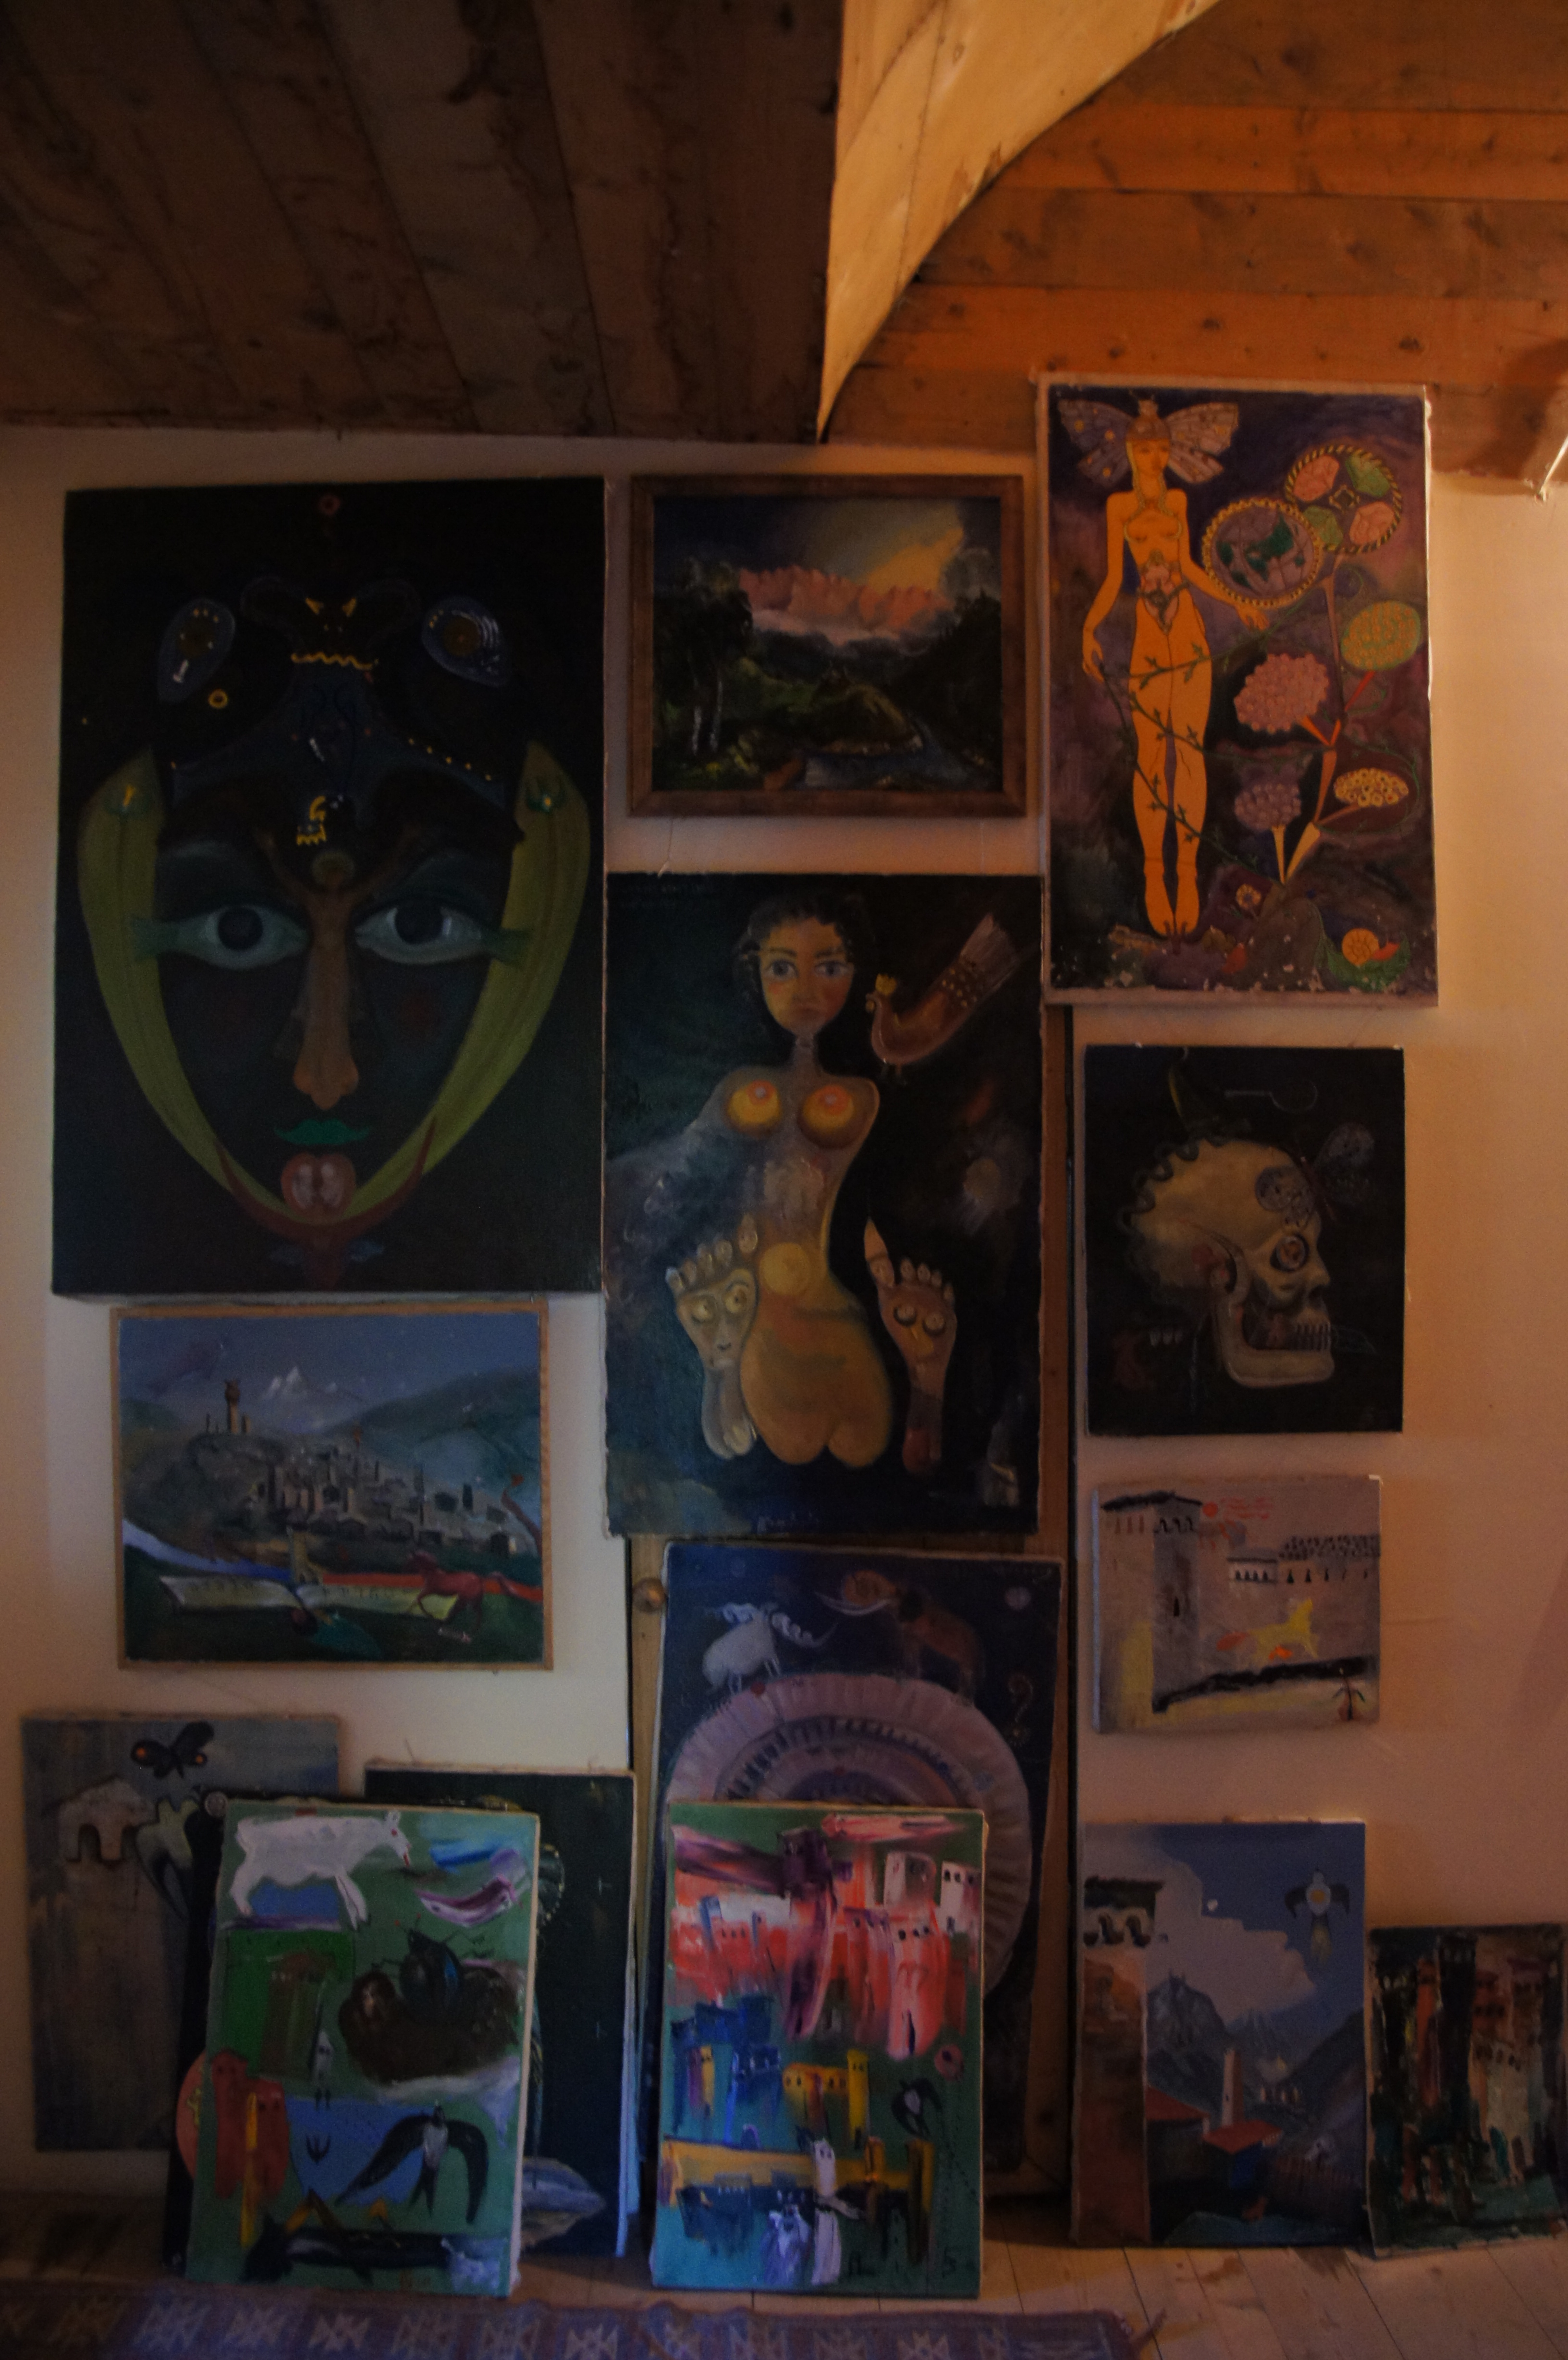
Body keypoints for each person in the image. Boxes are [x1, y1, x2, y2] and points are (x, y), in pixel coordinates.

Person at [1081, 401, 1264, 939]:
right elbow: (1114, 578)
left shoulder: (1179, 502)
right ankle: (1153, 874)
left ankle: (1185, 872)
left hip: (1186, 629)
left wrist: (1236, 601)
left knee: (1188, 754)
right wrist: (1089, 629)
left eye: (1161, 448)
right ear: (1129, 452)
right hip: (1149, 634)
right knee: (1150, 760)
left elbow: (1188, 567)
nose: (1154, 458)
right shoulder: (1120, 508)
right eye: (1145, 450)